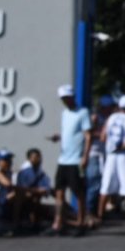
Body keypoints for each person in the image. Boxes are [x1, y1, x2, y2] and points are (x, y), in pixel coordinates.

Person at [47, 84, 91, 237]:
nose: (65, 101)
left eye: (67, 98)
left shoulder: (83, 112)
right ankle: (58, 224)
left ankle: (81, 222)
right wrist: (57, 137)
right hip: (63, 159)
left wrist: (85, 156)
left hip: (75, 160)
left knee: (78, 193)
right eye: (63, 98)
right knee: (59, 191)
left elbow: (88, 136)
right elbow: (68, 133)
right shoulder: (65, 113)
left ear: (72, 97)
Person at [99, 94, 125, 227]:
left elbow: (103, 137)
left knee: (106, 185)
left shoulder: (110, 118)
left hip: (111, 155)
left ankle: (100, 215)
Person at [85, 95, 115, 220]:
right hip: (94, 153)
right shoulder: (95, 118)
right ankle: (90, 211)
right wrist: (102, 134)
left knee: (103, 183)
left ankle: (99, 210)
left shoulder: (110, 119)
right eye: (109, 107)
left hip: (104, 154)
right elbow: (88, 134)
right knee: (94, 182)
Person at [14, 148, 53, 231]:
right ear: (29, 159)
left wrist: (35, 191)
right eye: (35, 157)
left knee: (37, 200)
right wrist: (35, 191)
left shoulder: (41, 173)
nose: (38, 159)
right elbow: (21, 188)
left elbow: (45, 188)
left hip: (35, 197)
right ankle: (16, 224)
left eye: (39, 157)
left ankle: (35, 224)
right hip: (23, 198)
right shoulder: (24, 172)